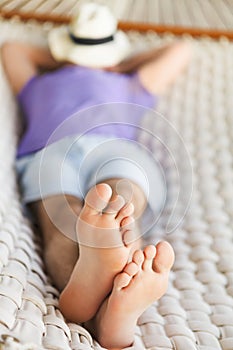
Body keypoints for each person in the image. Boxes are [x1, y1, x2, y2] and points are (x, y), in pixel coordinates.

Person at [1, 3, 192, 348]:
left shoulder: (45, 83)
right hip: (90, 150)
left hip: (56, 152)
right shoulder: (127, 84)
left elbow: (181, 48)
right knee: (120, 200)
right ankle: (113, 315)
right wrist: (112, 61)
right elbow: (10, 47)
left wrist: (79, 58)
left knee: (74, 218)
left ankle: (87, 287)